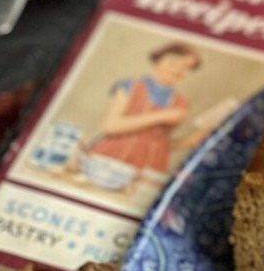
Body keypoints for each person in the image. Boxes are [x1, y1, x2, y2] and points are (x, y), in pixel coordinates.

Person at [85, 41, 209, 174]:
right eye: (172, 63)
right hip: (113, 157)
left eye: (185, 67)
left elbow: (156, 144)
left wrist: (190, 141)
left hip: (150, 166)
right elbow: (110, 126)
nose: (177, 70)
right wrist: (161, 116)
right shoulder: (129, 86)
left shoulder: (181, 102)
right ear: (157, 60)